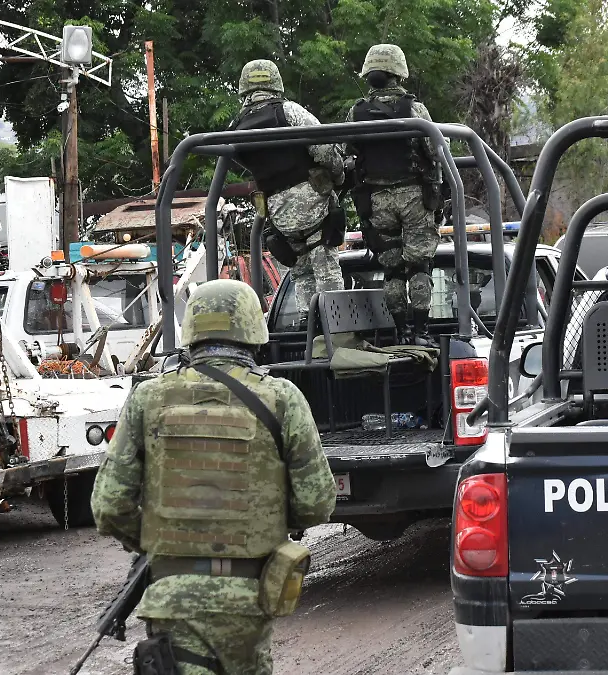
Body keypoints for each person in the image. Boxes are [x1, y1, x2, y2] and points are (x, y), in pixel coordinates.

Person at [92, 279, 337, 675]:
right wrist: (265, 522)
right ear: (253, 332)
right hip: (249, 598)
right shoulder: (282, 399)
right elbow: (316, 501)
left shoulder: (148, 399)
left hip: (171, 597)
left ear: (191, 332)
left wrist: (160, 541)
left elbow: (109, 506)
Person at [229, 59, 347, 317]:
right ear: (276, 83)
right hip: (313, 204)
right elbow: (324, 149)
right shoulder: (289, 111)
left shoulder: (236, 126)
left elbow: (240, 160)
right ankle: (337, 326)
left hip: (278, 214)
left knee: (302, 274)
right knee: (326, 269)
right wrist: (339, 176)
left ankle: (308, 325)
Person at [346, 44, 444, 346]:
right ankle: (421, 333)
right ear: (398, 73)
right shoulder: (415, 110)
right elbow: (436, 151)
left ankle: (401, 332)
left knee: (392, 271)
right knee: (419, 267)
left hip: (377, 200)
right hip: (414, 197)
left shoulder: (356, 112)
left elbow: (347, 152)